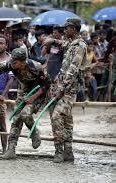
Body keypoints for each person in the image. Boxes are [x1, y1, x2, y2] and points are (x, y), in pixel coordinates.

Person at [44, 18, 87, 163]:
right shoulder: (70, 43)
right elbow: (63, 43)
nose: (64, 31)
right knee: (67, 120)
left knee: (56, 116)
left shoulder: (80, 45)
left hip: (68, 89)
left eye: (66, 28)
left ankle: (59, 152)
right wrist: (53, 41)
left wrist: (61, 89)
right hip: (60, 86)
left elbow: (73, 70)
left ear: (73, 29)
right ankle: (68, 152)